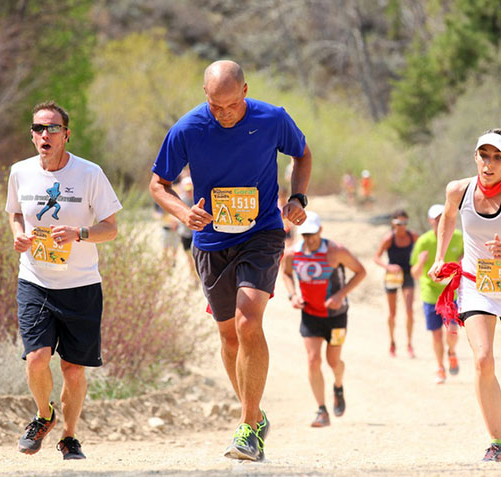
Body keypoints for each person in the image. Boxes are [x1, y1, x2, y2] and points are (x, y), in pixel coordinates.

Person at [149, 60, 311, 462]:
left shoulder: (272, 118)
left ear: (244, 91)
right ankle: (254, 416)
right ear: (205, 95)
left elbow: (302, 154)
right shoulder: (187, 128)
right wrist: (183, 213)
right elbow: (158, 184)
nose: (223, 114)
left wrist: (298, 197)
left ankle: (246, 426)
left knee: (248, 319)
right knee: (228, 336)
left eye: (231, 106)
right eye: (214, 106)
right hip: (210, 240)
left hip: (262, 233)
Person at [6, 101, 121, 460]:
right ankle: (44, 415)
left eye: (53, 128)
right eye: (39, 129)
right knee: (37, 359)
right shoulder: (20, 172)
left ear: (66, 135)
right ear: (32, 135)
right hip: (35, 281)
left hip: (81, 286)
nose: (45, 135)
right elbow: (14, 213)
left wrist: (80, 233)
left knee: (73, 370)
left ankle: (70, 436)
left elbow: (111, 229)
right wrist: (19, 236)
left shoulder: (89, 174)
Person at [428, 129, 501, 463]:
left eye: (497, 157)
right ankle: (496, 442)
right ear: (475, 157)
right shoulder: (458, 190)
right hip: (476, 284)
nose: (489, 163)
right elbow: (448, 218)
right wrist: (439, 257)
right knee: (482, 360)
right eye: (484, 155)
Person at [280, 211, 366, 428]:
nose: (310, 238)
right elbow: (286, 273)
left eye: (313, 233)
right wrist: (293, 295)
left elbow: (360, 272)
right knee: (313, 360)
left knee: (333, 361)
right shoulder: (293, 253)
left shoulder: (335, 251)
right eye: (306, 234)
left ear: (320, 230)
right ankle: (321, 410)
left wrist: (340, 295)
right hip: (310, 314)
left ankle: (338, 386)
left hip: (336, 316)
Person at [410, 204, 463, 384]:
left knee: (453, 330)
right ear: (430, 221)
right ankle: (440, 367)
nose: (440, 221)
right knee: (436, 334)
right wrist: (421, 262)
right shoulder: (423, 242)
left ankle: (452, 352)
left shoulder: (458, 237)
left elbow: (467, 258)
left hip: (452, 294)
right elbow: (414, 273)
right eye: (436, 218)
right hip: (430, 294)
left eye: (443, 217)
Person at [373, 209, 418, 358]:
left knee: (409, 310)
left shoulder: (413, 236)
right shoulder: (389, 239)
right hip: (392, 275)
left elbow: (423, 249)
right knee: (392, 313)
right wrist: (388, 267)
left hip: (407, 274)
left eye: (405, 223)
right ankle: (392, 342)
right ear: (393, 223)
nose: (402, 226)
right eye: (399, 223)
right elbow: (377, 257)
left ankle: (409, 344)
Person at [177, 176, 198, 281]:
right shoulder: (181, 199)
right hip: (185, 233)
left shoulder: (197, 199)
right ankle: (192, 275)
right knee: (189, 256)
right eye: (187, 190)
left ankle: (197, 276)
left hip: (196, 234)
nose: (189, 192)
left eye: (191, 190)